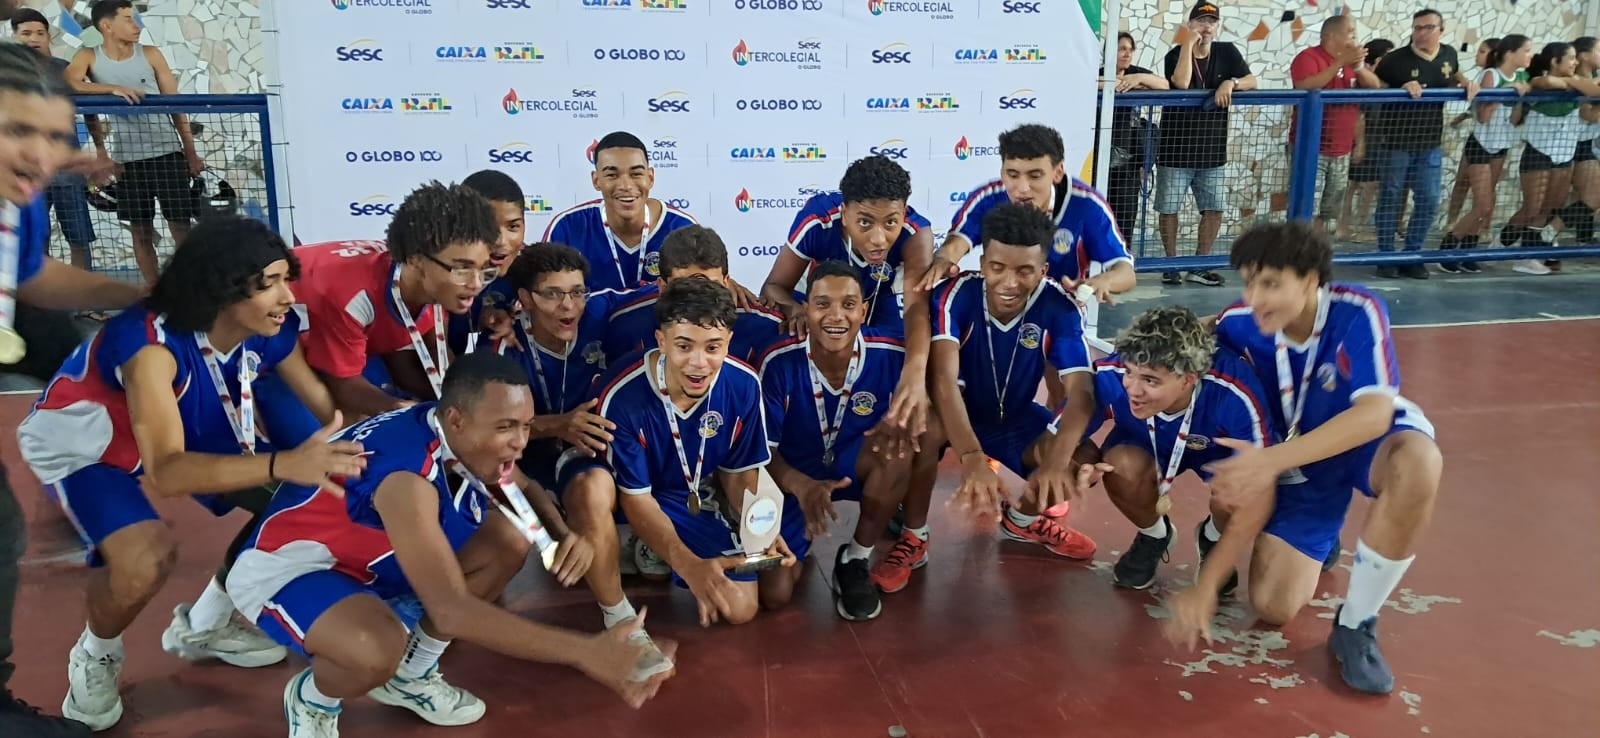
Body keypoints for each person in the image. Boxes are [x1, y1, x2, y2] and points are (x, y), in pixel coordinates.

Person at [17, 216, 370, 732]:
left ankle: (205, 623)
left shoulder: (271, 329)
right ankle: (96, 653)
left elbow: (326, 408)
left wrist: (388, 442)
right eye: (269, 284)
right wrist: (283, 463)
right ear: (220, 290)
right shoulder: (150, 348)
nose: (288, 297)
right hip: (88, 445)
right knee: (145, 559)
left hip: (186, 425)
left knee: (307, 497)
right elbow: (168, 472)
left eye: (286, 279)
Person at [226, 353, 674, 737]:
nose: (520, 442)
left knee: (508, 539)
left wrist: (558, 536)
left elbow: (517, 485)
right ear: (457, 419)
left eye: (525, 426)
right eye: (506, 427)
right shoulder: (406, 476)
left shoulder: (452, 430)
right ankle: (313, 700)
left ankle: (412, 675)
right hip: (294, 570)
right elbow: (452, 611)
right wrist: (588, 652)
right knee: (374, 648)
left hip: (373, 561)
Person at [1168, 221, 1442, 697]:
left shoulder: (1358, 311)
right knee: (1273, 608)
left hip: (1360, 444)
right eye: (1248, 283)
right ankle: (1311, 534)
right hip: (1301, 467)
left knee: (1419, 463)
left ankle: (1355, 624)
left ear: (1311, 279)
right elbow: (1196, 336)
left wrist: (1269, 460)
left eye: (1271, 284)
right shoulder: (1241, 320)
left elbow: (1374, 415)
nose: (1256, 298)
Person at [0, 39, 146, 738]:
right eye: (18, 131)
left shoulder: (20, 198)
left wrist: (138, 294)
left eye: (56, 137)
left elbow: (30, 276)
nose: (39, 156)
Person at [476, 243, 672, 675]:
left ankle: (621, 623)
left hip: (580, 455)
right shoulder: (499, 348)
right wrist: (556, 425)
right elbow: (488, 435)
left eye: (577, 292)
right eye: (552, 294)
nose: (569, 306)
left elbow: (674, 286)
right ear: (525, 299)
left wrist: (730, 283)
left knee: (592, 488)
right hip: (516, 463)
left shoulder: (603, 310)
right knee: (501, 560)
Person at [601, 278, 797, 626]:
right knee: (596, 489)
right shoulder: (622, 396)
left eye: (712, 347)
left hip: (689, 492)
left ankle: (661, 542)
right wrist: (688, 565)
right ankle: (639, 543)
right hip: (628, 493)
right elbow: (636, 497)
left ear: (728, 342)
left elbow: (740, 472)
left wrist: (760, 531)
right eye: (684, 346)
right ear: (661, 341)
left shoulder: (744, 384)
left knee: (740, 608)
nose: (698, 363)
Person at [926, 203, 1100, 558]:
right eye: (997, 268)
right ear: (982, 264)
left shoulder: (1059, 306)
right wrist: (971, 456)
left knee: (1084, 460)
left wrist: (1056, 463)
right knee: (922, 428)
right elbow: (944, 382)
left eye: (1024, 271)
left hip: (1016, 418)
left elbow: (1081, 393)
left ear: (1043, 270)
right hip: (956, 416)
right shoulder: (954, 296)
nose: (1009, 283)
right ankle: (911, 529)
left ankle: (1022, 520)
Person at [758, 260, 916, 621]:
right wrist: (800, 486)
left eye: (848, 304)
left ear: (863, 310)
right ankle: (798, 539)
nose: (835, 316)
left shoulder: (893, 353)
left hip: (853, 461)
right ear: (806, 308)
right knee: (775, 594)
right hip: (793, 477)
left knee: (898, 450)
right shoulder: (777, 360)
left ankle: (855, 558)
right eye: (822, 304)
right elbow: (763, 452)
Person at [1076, 307, 1271, 593]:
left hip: (1217, 453)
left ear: (1187, 379)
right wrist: (1078, 466)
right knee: (1120, 465)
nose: (1133, 389)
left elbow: (1261, 476)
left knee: (1240, 490)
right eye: (1130, 372)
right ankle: (1155, 535)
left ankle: (1212, 539)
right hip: (1145, 442)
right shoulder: (1112, 373)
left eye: (1150, 380)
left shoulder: (1235, 390)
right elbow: (1064, 434)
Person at [292, 181, 499, 419]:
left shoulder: (433, 282)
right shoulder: (354, 295)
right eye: (463, 269)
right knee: (349, 426)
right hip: (276, 345)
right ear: (416, 259)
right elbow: (343, 385)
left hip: (343, 343)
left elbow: (428, 352)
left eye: (484, 269)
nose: (476, 283)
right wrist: (400, 410)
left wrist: (462, 401)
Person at [761, 155, 934, 439]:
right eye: (864, 222)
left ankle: (866, 425)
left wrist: (915, 374)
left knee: (904, 351)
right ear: (843, 213)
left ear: (904, 212)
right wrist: (795, 309)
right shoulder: (818, 220)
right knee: (786, 330)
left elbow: (917, 309)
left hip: (880, 295)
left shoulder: (916, 234)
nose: (878, 239)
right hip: (823, 295)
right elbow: (774, 286)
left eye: (891, 222)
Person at [65, 0, 204, 285]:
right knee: (140, 231)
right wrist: (113, 90)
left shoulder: (151, 54)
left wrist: (190, 152)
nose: (136, 25)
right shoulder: (89, 56)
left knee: (181, 226)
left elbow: (176, 105)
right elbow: (70, 82)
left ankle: (191, 287)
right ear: (107, 26)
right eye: (128, 19)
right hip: (127, 161)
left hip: (167, 154)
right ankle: (153, 291)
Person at [916, 124, 1135, 304]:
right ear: (1002, 171)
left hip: (1059, 313)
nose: (1022, 188)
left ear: (1058, 172)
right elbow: (955, 245)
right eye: (1012, 175)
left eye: (1035, 176)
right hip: (1000, 308)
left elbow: (1125, 271)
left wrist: (1103, 281)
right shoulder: (988, 198)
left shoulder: (1086, 206)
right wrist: (943, 261)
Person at [1370, 8, 1480, 279]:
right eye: (1417, 28)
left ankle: (1413, 254)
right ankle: (1385, 256)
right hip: (1395, 141)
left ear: (1440, 31)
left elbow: (1453, 73)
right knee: (1390, 197)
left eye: (1428, 28)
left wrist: (1466, 82)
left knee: (1429, 199)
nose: (1421, 33)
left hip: (1430, 141)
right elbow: (1374, 84)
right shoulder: (1394, 60)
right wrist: (1400, 88)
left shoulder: (1449, 54)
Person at [1155, 1, 1256, 286]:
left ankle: (1198, 265)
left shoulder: (1227, 52)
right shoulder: (1175, 54)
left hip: (1212, 151)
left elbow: (1253, 80)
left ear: (1217, 26)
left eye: (1211, 22)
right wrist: (1188, 44)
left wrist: (1231, 83)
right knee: (1169, 209)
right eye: (1200, 21)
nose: (1206, 27)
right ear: (1190, 25)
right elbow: (1181, 82)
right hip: (1175, 149)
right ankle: (1171, 264)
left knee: (1214, 209)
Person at [601, 225, 784, 366]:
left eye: (709, 285)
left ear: (726, 282)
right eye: (684, 286)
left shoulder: (765, 328)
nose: (697, 296)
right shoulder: (626, 324)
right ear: (662, 287)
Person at [542, 131, 698, 292]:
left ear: (650, 178)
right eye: (612, 175)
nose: (626, 186)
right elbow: (546, 295)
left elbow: (699, 298)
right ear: (596, 180)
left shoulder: (683, 229)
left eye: (636, 174)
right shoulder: (566, 228)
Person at [1496, 42, 1600, 276]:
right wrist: (1569, 82)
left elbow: (1594, 92)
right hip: (1538, 152)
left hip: (1564, 154)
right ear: (1555, 61)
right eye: (1570, 58)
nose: (1575, 62)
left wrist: (1568, 81)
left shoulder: (1577, 84)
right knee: (1532, 207)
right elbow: (1544, 82)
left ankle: (1529, 255)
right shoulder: (1540, 83)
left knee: (1550, 208)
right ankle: (1503, 245)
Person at [10, 8, 99, 271]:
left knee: (79, 238)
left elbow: (91, 110)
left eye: (40, 33)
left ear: (49, 36)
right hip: (26, 174)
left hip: (67, 171)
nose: (33, 38)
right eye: (26, 33)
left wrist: (101, 150)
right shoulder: (9, 72)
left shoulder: (65, 70)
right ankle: (42, 294)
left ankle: (84, 294)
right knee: (36, 239)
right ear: (15, 36)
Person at [1439, 36, 1528, 274]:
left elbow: (1515, 121)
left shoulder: (1521, 78)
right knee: (1483, 204)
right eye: (1526, 50)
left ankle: (1469, 248)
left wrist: (1520, 99)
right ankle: (1448, 246)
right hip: (1480, 144)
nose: (1529, 55)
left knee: (1487, 205)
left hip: (1501, 145)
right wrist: (1506, 92)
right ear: (1510, 53)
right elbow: (1483, 116)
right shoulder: (1492, 75)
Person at [1289, 15, 1382, 234]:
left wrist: (1358, 67)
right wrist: (1338, 63)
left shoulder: (1352, 64)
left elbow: (1375, 86)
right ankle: (1298, 251)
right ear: (1331, 36)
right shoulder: (1308, 57)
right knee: (1305, 209)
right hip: (1310, 149)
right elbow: (1306, 86)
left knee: (1330, 213)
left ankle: (1320, 249)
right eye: (1350, 32)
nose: (1354, 37)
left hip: (1341, 150)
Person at [446, 169, 527, 355]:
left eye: (513, 226)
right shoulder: (436, 270)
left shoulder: (528, 269)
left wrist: (485, 318)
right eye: (488, 227)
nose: (501, 241)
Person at [1106, 32, 1170, 247]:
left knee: (1126, 212)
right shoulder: (1098, 72)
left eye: (1130, 49)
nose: (1127, 54)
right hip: (1101, 153)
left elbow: (1164, 85)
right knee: (1101, 209)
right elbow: (1089, 83)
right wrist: (1116, 83)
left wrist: (1139, 80)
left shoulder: (1136, 73)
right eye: (1121, 49)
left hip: (1130, 157)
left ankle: (1122, 256)